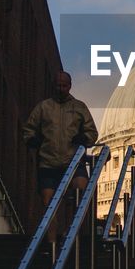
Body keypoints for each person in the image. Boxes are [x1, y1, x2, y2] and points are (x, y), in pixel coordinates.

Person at [21, 70, 98, 239]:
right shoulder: (43, 107)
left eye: (64, 85)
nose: (61, 88)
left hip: (73, 162)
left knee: (81, 190)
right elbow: (28, 129)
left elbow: (92, 132)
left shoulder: (79, 107)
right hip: (48, 162)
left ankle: (69, 230)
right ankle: (52, 241)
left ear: (70, 86)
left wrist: (84, 138)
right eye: (58, 85)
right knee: (49, 204)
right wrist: (32, 140)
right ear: (53, 85)